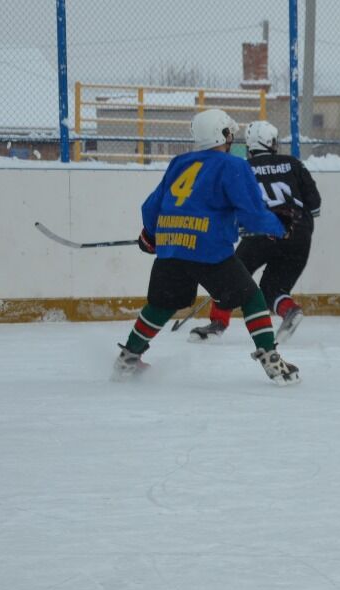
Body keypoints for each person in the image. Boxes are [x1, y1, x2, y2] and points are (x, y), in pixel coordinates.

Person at [112, 108, 299, 384]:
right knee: (250, 296)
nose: (232, 138)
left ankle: (127, 359)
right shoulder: (233, 166)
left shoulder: (179, 163)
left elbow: (151, 206)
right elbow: (250, 213)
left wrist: (150, 236)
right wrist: (277, 227)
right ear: (222, 134)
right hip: (209, 250)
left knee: (161, 304)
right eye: (229, 133)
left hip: (172, 248)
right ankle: (271, 360)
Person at [188, 119, 321, 345]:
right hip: (299, 233)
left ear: (250, 146)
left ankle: (217, 324)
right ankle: (289, 310)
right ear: (272, 142)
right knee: (272, 288)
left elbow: (228, 206)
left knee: (227, 276)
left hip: (261, 232)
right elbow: (314, 205)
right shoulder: (293, 163)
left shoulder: (241, 167)